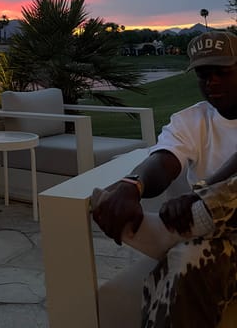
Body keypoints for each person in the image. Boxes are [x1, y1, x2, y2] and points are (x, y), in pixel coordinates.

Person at [91, 29, 237, 328]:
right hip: (223, 240)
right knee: (185, 262)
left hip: (211, 220)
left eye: (222, 72)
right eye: (203, 75)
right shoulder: (192, 119)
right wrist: (134, 183)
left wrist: (201, 194)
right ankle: (195, 224)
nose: (212, 83)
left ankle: (186, 224)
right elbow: (165, 160)